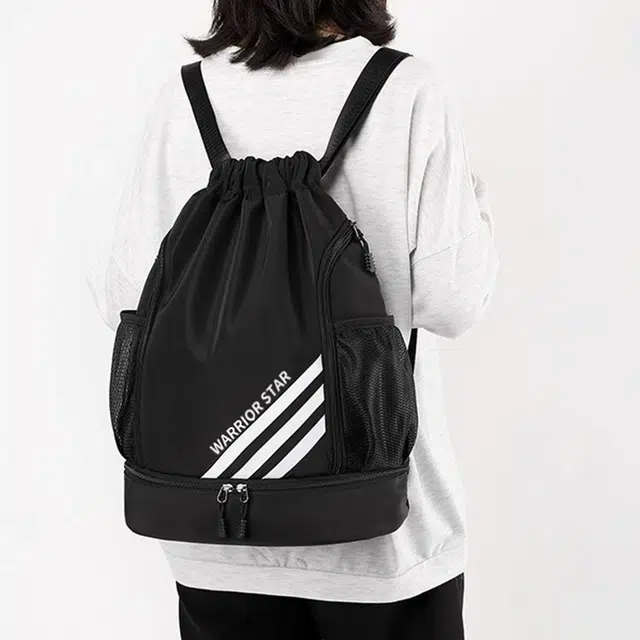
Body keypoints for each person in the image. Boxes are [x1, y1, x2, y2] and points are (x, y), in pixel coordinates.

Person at [90, 1, 498, 638]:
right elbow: (452, 301)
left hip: (212, 536)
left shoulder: (186, 96)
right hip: (378, 537)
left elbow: (124, 297)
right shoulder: (407, 88)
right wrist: (476, 207)